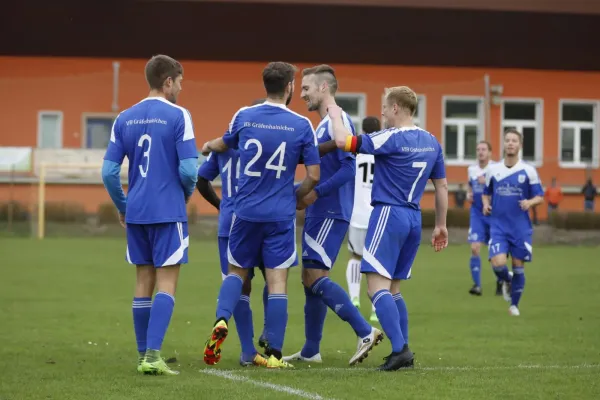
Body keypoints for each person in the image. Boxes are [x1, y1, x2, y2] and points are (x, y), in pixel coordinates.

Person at [201, 61, 320, 369]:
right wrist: (295, 194)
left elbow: (221, 144)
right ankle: (276, 355)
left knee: (237, 273)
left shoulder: (244, 116)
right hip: (279, 215)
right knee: (277, 282)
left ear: (265, 85)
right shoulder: (301, 125)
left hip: (245, 212)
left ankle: (221, 320)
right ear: (291, 86)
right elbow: (314, 177)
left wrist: (206, 146)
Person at [328, 86, 449, 371]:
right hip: (414, 218)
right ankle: (403, 348)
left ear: (396, 108)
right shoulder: (432, 141)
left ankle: (400, 350)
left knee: (375, 287)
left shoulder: (390, 137)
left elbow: (343, 141)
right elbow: (441, 186)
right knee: (394, 288)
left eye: (384, 106)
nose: (381, 111)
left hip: (388, 213)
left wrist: (334, 112)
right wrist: (441, 225)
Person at [101, 54, 198, 375]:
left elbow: (109, 172)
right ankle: (153, 355)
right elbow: (188, 169)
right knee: (167, 282)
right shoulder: (179, 115)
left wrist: (123, 206)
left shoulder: (124, 117)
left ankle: (144, 355)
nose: (182, 88)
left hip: (137, 212)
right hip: (168, 211)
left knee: (143, 279)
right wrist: (183, 195)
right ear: (168, 81)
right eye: (180, 82)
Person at [283, 65, 383, 366]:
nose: (301, 95)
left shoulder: (338, 121)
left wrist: (317, 192)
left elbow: (349, 167)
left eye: (306, 89)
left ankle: (365, 331)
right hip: (320, 209)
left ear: (324, 88)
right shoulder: (324, 123)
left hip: (330, 210)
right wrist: (299, 191)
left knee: (315, 274)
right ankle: (311, 350)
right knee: (309, 276)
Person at [196, 101, 269, 368]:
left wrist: (219, 205)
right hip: (261, 220)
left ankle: (246, 347)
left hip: (230, 222)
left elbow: (201, 180)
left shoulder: (222, 149)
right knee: (274, 278)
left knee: (237, 282)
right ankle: (268, 335)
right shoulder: (261, 146)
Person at [483, 128, 544, 316]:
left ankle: (514, 306)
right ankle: (507, 279)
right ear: (504, 144)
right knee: (498, 263)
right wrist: (486, 205)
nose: (510, 143)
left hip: (520, 227)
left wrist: (529, 202)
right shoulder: (493, 170)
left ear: (520, 145)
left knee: (519, 265)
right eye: (507, 140)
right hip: (498, 226)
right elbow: (486, 193)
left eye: (514, 140)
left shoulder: (528, 170)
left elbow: (540, 196)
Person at [346, 116, 380, 322]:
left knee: (355, 257)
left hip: (357, 215)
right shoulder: (383, 157)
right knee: (376, 262)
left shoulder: (356, 157)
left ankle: (354, 298)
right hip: (376, 216)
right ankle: (376, 308)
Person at [466, 141, 499, 296]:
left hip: (493, 214)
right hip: (477, 213)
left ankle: (501, 281)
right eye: (478, 149)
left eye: (484, 149)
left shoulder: (496, 168)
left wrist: (485, 181)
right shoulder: (472, 169)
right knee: (475, 248)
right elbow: (470, 186)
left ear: (490, 152)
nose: (480, 152)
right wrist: (469, 193)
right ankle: (477, 286)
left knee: (496, 253)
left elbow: (500, 190)